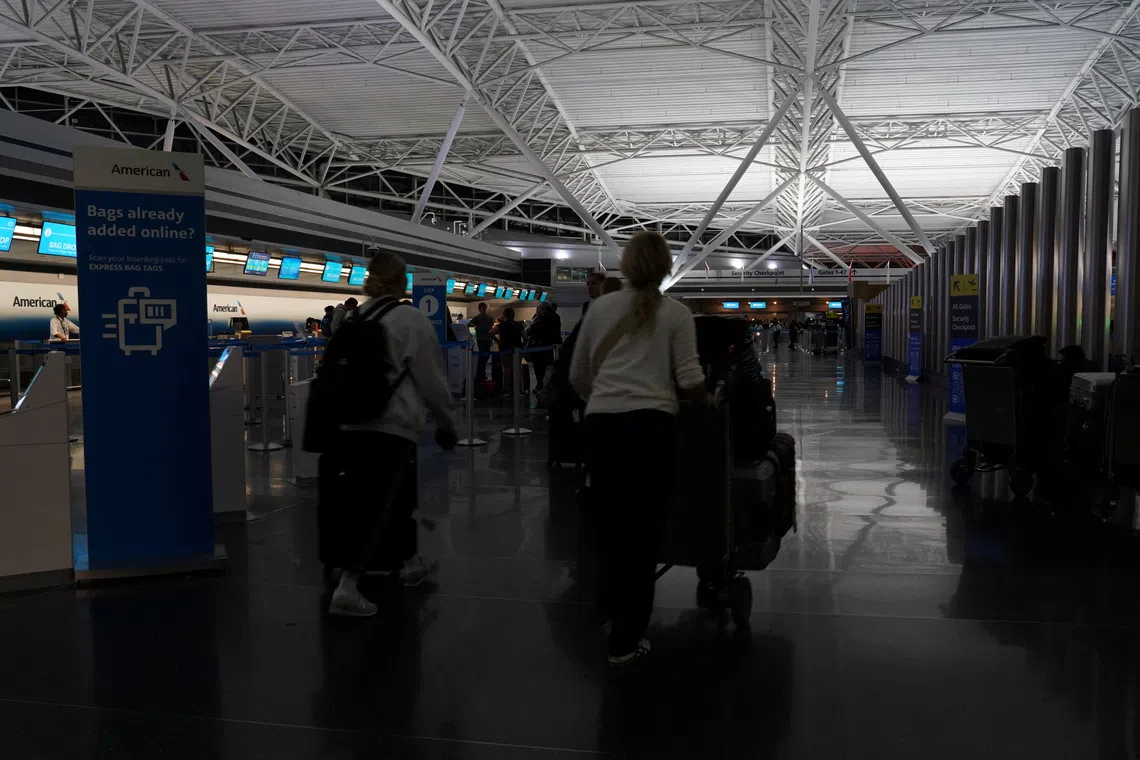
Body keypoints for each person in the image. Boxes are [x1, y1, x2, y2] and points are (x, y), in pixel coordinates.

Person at [569, 231, 707, 667]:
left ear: (625, 266)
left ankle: (610, 613)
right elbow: (690, 380)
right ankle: (627, 641)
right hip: (652, 430)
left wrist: (605, 401)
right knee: (642, 534)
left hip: (602, 428)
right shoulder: (677, 314)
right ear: (666, 266)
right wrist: (701, 401)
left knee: (608, 527)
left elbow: (578, 373)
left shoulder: (600, 308)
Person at [322, 251, 458, 618]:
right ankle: (348, 587)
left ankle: (410, 560)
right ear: (401, 281)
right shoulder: (410, 320)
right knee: (379, 504)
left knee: (389, 498)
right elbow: (431, 380)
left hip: (349, 425)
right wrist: (447, 421)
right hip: (391, 427)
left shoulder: (356, 316)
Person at [526, 301, 560, 392]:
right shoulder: (556, 316)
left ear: (543, 309)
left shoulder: (544, 317)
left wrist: (529, 329)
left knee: (539, 367)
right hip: (552, 346)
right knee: (549, 367)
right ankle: (548, 386)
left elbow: (535, 329)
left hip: (541, 347)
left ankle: (541, 385)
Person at [491, 307, 524, 395]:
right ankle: (519, 388)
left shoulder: (501, 325)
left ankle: (506, 389)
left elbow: (490, 332)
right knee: (517, 369)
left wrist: (498, 342)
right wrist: (523, 345)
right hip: (517, 350)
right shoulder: (518, 325)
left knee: (507, 369)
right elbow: (525, 337)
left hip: (505, 350)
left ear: (504, 315)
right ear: (513, 315)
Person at [470, 302, 494, 381]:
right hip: (481, 339)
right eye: (483, 308)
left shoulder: (489, 317)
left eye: (485, 308)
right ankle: (480, 374)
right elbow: (469, 324)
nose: (485, 309)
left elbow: (491, 328)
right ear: (479, 308)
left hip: (487, 339)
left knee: (485, 357)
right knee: (482, 357)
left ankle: (481, 373)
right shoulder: (477, 318)